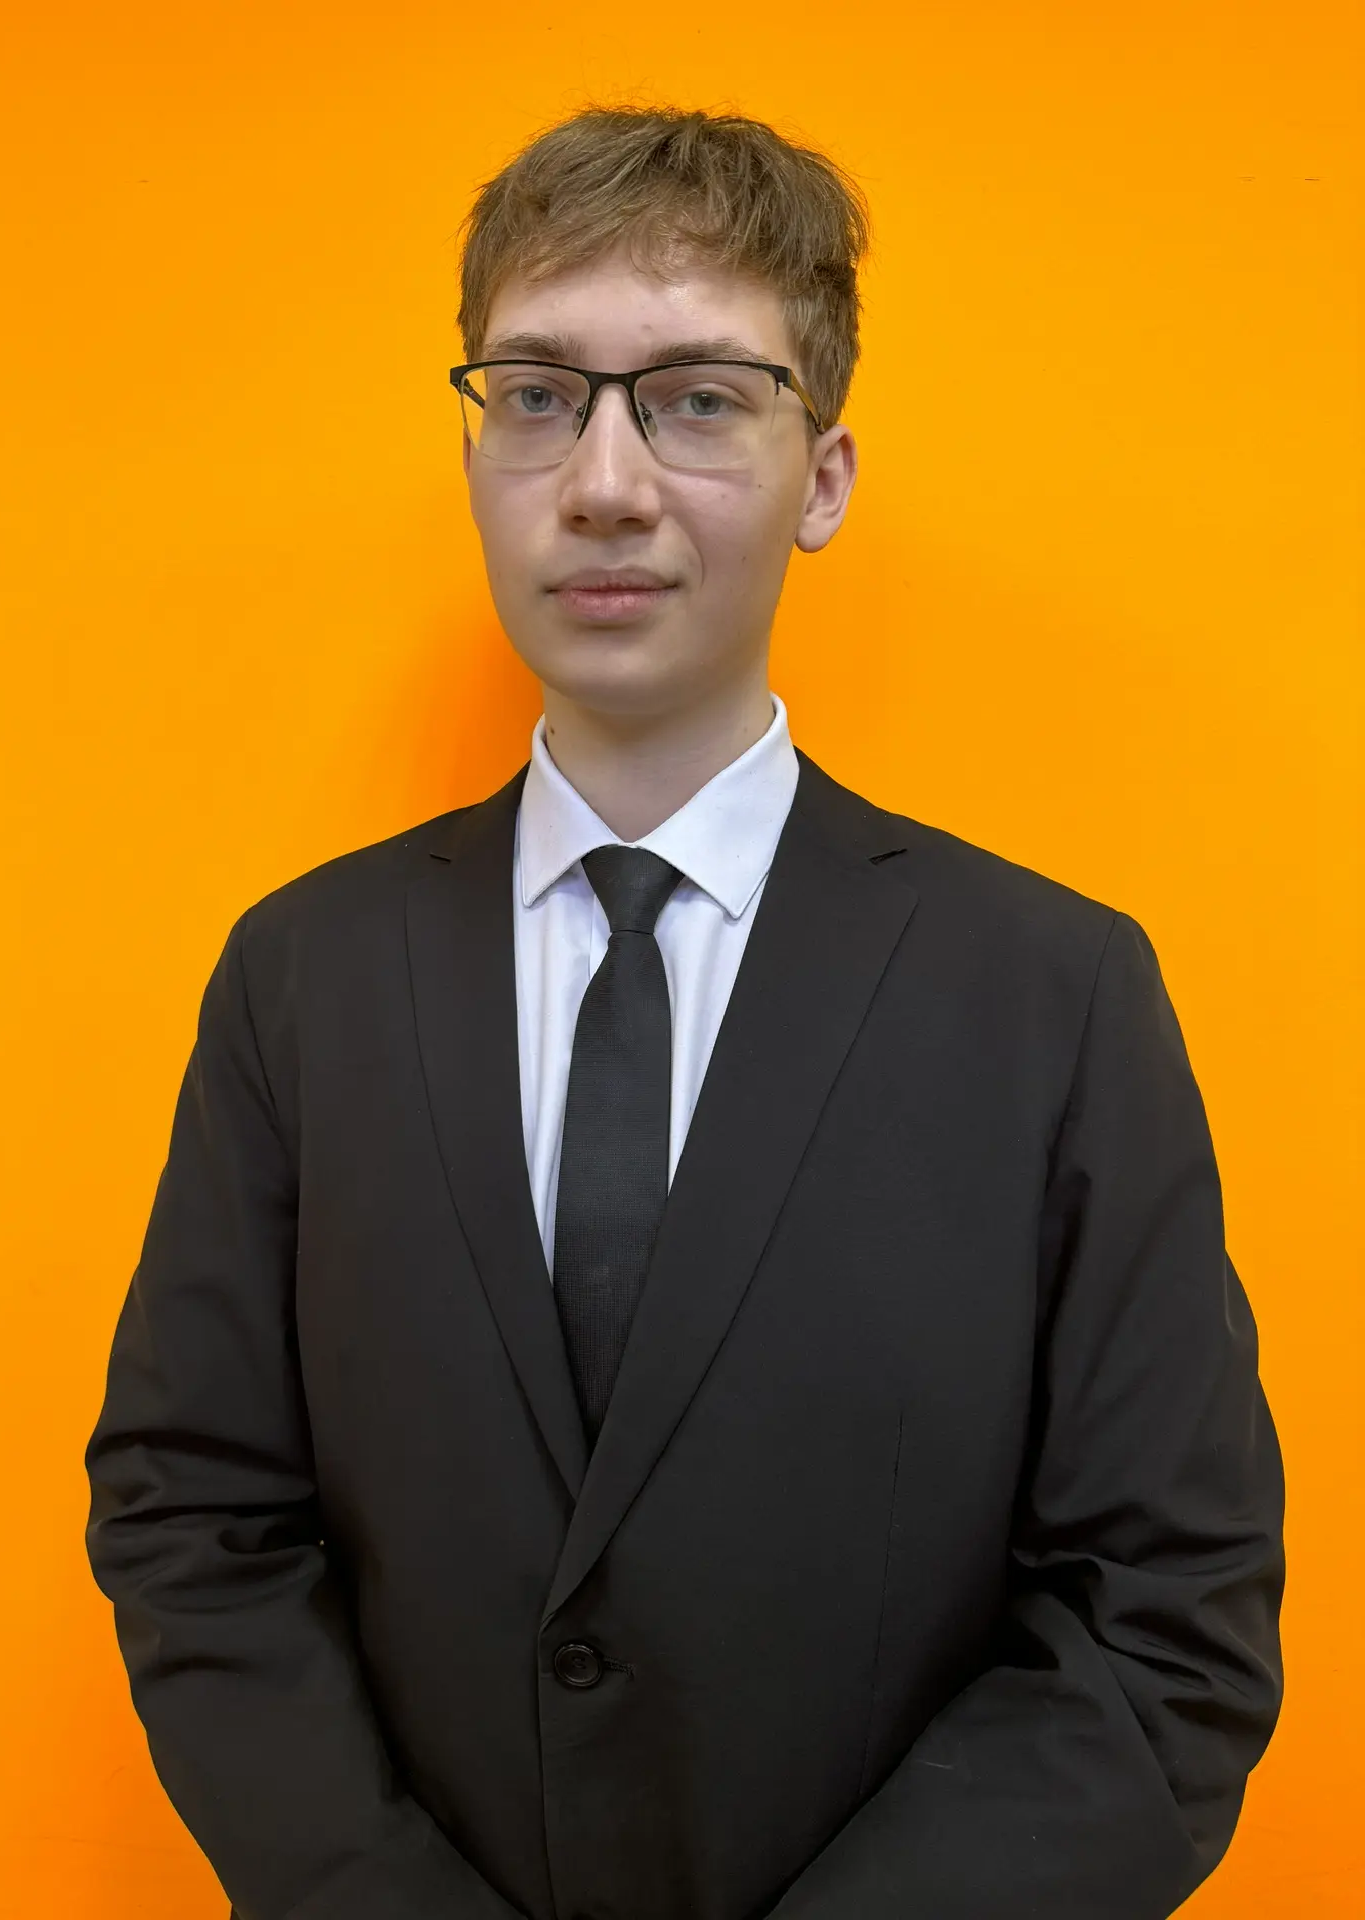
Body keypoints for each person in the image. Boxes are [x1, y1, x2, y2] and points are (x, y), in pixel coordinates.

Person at [85, 105, 1285, 1920]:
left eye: (701, 399)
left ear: (825, 477)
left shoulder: (1056, 994)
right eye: (537, 395)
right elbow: (194, 1514)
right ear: (477, 447)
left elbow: (1166, 1620)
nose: (605, 482)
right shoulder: (302, 974)